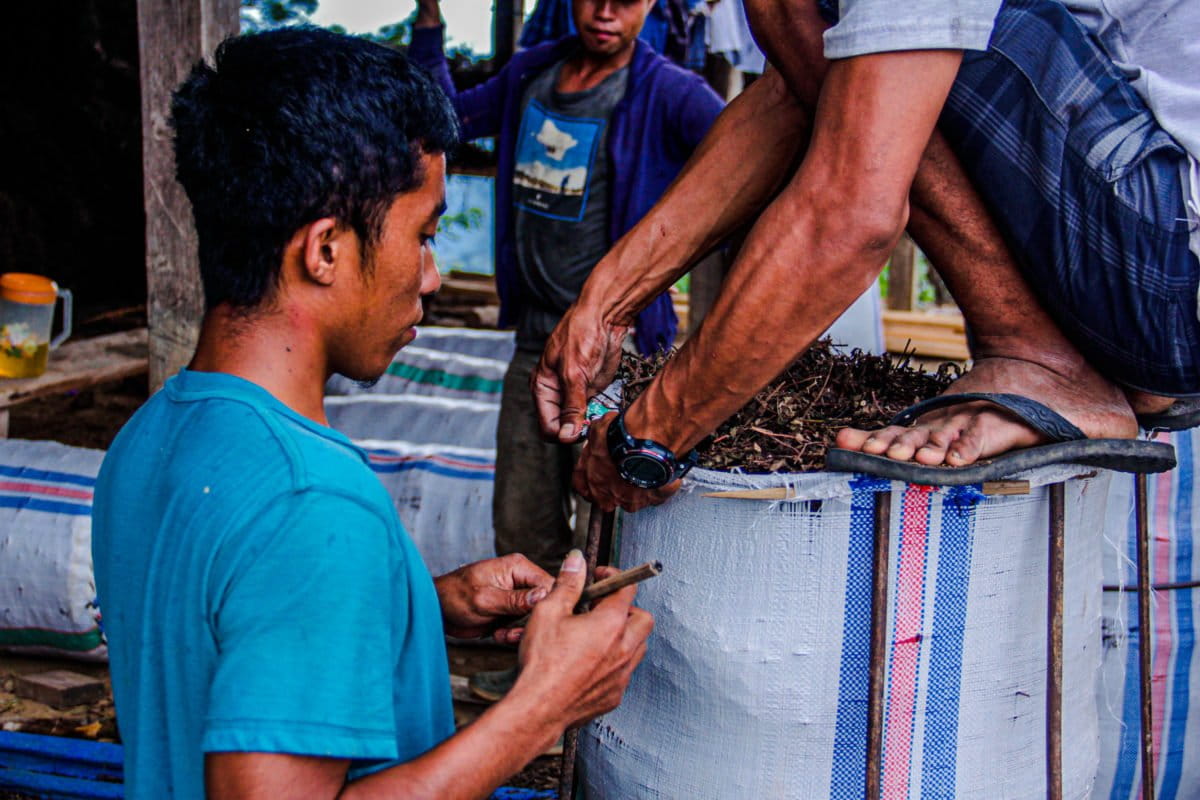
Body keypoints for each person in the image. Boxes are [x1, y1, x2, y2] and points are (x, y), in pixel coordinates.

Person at [91, 28, 652, 799]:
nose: (432, 275)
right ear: (325, 249)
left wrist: (415, 604)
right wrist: (543, 706)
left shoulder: (148, 440)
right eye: (423, 234)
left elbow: (220, 627)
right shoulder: (312, 504)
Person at [532, 0, 1200, 511]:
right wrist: (605, 304)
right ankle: (1040, 353)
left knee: (846, 37)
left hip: (1168, 269)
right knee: (853, 47)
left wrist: (651, 437)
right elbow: (802, 89)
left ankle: (1040, 358)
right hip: (1153, 255)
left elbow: (850, 214)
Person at [409, 0, 723, 570]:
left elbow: (744, 168)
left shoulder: (671, 93)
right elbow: (444, 118)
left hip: (619, 353)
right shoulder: (532, 72)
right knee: (521, 525)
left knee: (607, 526)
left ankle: (594, 627)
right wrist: (429, 19)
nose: (605, 11)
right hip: (536, 342)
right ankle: (534, 628)